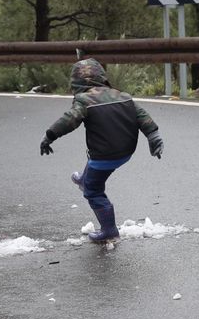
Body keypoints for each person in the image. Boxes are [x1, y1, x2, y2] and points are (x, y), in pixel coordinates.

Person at [39, 58, 163, 243]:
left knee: (93, 190)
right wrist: (154, 137)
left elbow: (69, 120)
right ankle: (83, 178)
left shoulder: (84, 100)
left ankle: (109, 231)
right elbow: (142, 116)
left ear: (76, 83)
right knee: (95, 162)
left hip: (104, 157)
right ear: (102, 78)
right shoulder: (123, 96)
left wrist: (50, 136)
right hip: (126, 151)